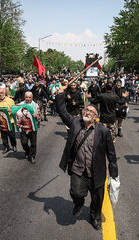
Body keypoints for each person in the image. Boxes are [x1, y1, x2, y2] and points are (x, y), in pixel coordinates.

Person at [56, 82, 118, 230]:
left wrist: (114, 174)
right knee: (76, 192)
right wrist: (60, 93)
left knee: (97, 199)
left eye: (91, 111)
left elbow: (111, 154)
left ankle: (94, 217)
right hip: (78, 169)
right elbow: (62, 110)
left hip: (96, 171)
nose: (87, 112)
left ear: (96, 117)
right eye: (86, 110)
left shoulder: (103, 131)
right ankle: (78, 203)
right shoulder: (75, 123)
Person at [0, 88, 17, 153]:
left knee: (11, 135)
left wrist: (10, 110)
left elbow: (14, 110)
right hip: (2, 122)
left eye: (1, 93)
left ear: (4, 93)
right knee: (3, 136)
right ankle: (6, 147)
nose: (0, 94)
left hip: (10, 121)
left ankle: (14, 145)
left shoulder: (10, 100)